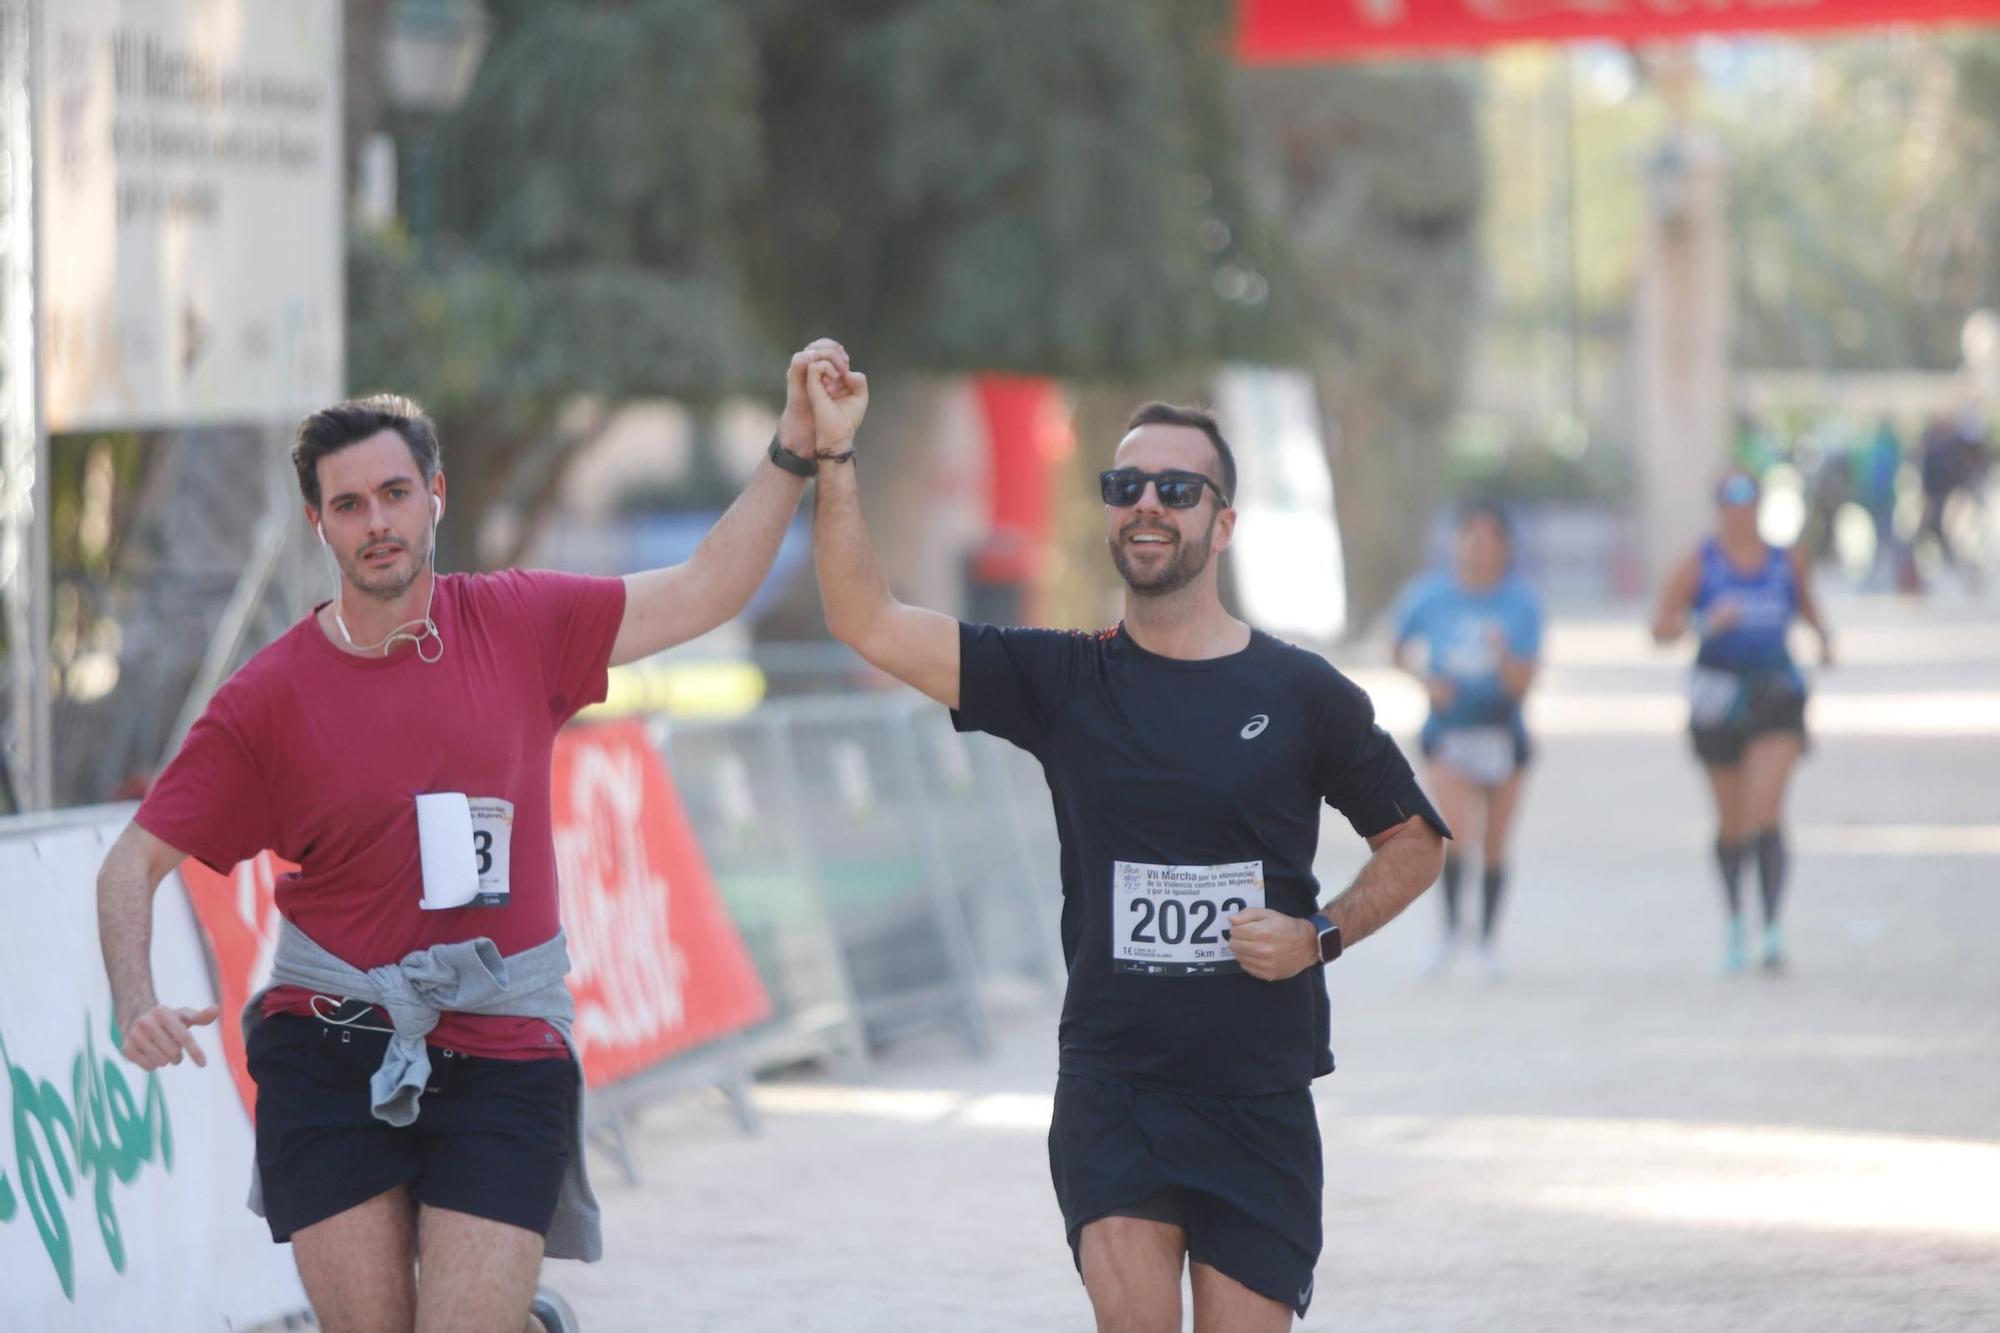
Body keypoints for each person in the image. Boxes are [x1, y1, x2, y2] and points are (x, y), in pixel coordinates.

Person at [94, 338, 850, 1333]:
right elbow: (130, 862)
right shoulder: (266, 698)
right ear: (318, 522)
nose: (378, 523)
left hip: (502, 1043)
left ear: (434, 495)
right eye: (350, 505)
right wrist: (134, 999)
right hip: (332, 1044)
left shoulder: (520, 622)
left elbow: (706, 586)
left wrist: (794, 448)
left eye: (395, 493)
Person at [804, 357, 1448, 1332]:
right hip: (1116, 1087)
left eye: (1176, 489)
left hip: (1256, 1093)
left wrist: (1318, 932)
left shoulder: (1301, 693)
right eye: (1124, 487)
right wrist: (834, 452)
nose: (1146, 505)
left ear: (1221, 521)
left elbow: (1415, 840)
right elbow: (865, 620)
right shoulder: (1061, 679)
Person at [1651, 469, 1833, 974]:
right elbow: (1659, 628)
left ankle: (1772, 926)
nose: (1740, 512)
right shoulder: (1698, 564)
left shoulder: (1785, 561)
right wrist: (1705, 623)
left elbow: (1809, 608)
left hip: (1776, 697)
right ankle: (1735, 919)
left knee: (1765, 809)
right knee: (1732, 821)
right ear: (1718, 510)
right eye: (1730, 503)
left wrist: (1825, 639)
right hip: (1717, 701)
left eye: (1748, 502)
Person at [1391, 501, 1543, 980]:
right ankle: (1451, 930)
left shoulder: (1521, 602)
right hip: (1450, 731)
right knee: (1456, 834)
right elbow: (1397, 649)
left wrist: (1503, 659)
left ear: (1505, 547)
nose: (1476, 547)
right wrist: (1426, 682)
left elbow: (1523, 682)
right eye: (1468, 536)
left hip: (1503, 730)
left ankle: (1488, 942)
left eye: (1487, 537)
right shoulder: (1429, 596)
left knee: (1496, 844)